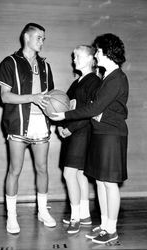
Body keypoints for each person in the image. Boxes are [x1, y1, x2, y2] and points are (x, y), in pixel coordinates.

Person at [51, 33, 129, 244]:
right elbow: (99, 108)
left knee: (110, 184)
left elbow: (96, 107)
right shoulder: (108, 76)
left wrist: (64, 116)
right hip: (102, 133)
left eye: (98, 51)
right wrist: (96, 113)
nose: (96, 54)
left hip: (113, 134)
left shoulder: (117, 77)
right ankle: (104, 225)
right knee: (102, 182)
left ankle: (111, 229)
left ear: (106, 52)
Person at [0, 23, 56, 234]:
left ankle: (42, 211)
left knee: (42, 169)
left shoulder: (46, 66)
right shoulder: (10, 62)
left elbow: (50, 99)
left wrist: (60, 112)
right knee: (15, 170)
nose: (42, 41)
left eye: (43, 38)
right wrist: (33, 98)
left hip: (41, 123)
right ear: (26, 37)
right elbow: (5, 97)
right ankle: (12, 217)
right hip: (19, 122)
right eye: (39, 37)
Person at [58, 45, 101, 234]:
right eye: (74, 56)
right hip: (73, 132)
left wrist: (69, 127)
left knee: (69, 174)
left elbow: (90, 113)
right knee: (80, 175)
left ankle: (75, 217)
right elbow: (66, 105)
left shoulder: (94, 82)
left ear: (92, 59)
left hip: (82, 133)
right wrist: (60, 122)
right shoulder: (77, 82)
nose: (74, 59)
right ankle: (84, 215)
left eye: (78, 56)